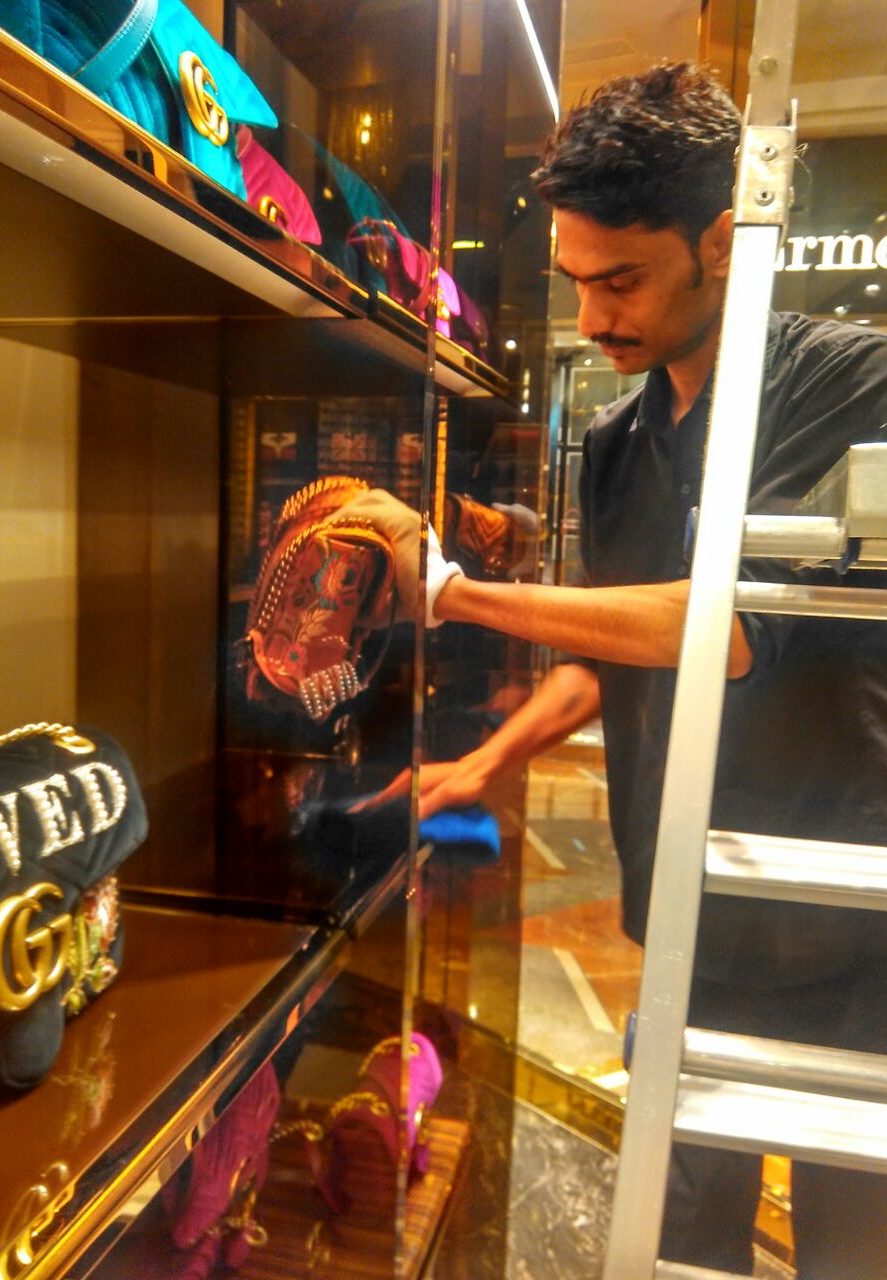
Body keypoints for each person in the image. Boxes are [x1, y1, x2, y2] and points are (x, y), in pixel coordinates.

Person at [338, 62, 887, 1278]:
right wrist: (482, 762)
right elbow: (607, 650)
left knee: (854, 1241)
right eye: (577, 281)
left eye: (621, 280)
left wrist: (451, 590)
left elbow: (722, 628)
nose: (591, 318)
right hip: (686, 904)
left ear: (721, 241)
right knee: (679, 1226)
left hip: (841, 924)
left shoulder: (848, 380)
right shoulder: (620, 437)